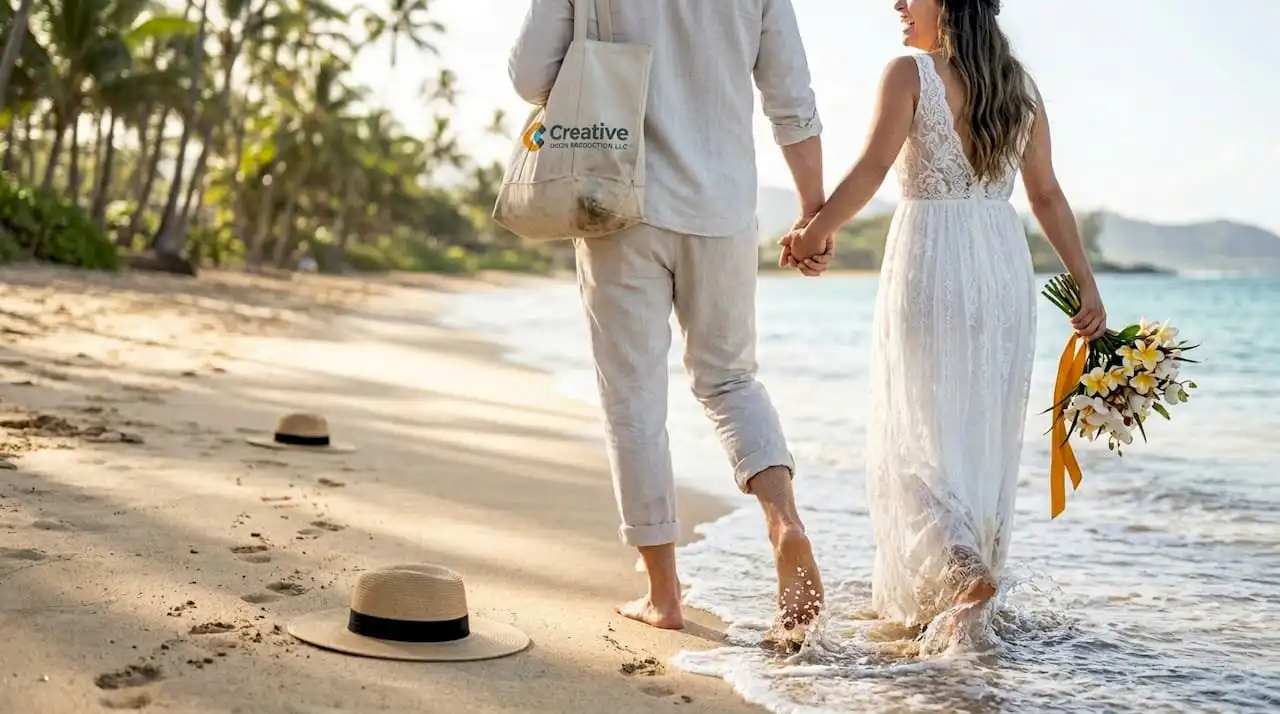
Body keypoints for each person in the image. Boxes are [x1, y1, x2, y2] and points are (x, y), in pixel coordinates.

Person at [781, 0, 1107, 635]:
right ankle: (964, 593)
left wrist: (813, 232)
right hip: (1003, 274)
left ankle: (963, 581)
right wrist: (1086, 284)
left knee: (917, 439)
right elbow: (1045, 194)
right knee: (973, 441)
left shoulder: (910, 73)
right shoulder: (1021, 85)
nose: (898, 5)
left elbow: (875, 168)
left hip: (932, 264)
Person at [508, 0, 832, 636]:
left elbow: (528, 76)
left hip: (618, 200)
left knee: (632, 401)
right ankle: (784, 519)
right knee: (730, 381)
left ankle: (664, 595)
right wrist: (813, 213)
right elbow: (792, 104)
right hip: (725, 212)